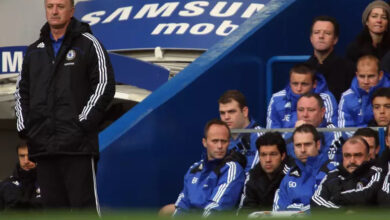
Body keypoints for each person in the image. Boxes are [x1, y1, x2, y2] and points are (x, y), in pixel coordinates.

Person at [14, 0, 115, 212]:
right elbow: (21, 91)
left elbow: (104, 85)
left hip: (77, 147)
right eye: (50, 6)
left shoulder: (88, 44)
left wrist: (82, 123)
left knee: (83, 211)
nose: (54, 11)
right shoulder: (33, 51)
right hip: (43, 147)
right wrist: (26, 128)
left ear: (71, 11)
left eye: (60, 6)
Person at [173, 119, 246, 217]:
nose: (219, 146)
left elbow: (216, 210)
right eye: (215, 141)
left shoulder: (232, 169)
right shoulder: (193, 169)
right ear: (205, 142)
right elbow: (182, 207)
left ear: (229, 143)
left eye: (223, 141)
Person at [273, 124, 337, 212]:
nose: (303, 150)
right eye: (298, 145)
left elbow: (328, 210)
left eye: (307, 144)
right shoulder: (290, 174)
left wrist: (295, 211)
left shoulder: (333, 171)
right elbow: (278, 211)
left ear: (318, 145)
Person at [311, 136, 382, 208]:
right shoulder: (333, 175)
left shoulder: (376, 173)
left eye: (357, 155)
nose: (352, 161)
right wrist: (342, 212)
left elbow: (368, 196)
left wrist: (336, 198)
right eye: (347, 155)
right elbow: (316, 201)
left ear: (367, 156)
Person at [267, 63, 338, 129]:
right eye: (295, 84)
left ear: (314, 84)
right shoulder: (277, 98)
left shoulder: (325, 98)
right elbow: (271, 133)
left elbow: (332, 131)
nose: (299, 88)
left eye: (304, 84)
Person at [306, 15, 355, 101]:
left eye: (327, 33)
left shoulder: (349, 69)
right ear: (311, 38)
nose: (321, 36)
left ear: (335, 39)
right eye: (317, 32)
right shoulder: (303, 69)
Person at [239, 132, 289, 212]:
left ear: (282, 156)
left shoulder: (292, 175)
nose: (268, 160)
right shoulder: (253, 176)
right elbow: (246, 210)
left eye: (273, 154)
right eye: (263, 155)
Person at [285, 93, 343, 162]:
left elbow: (330, 163)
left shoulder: (335, 134)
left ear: (322, 112)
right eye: (300, 110)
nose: (305, 115)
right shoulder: (289, 135)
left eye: (311, 110)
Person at [338, 55, 390, 129]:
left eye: (371, 76)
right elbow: (344, 129)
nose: (366, 81)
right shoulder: (347, 97)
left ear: (380, 75)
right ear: (356, 75)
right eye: (362, 76)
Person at [218, 90, 262, 173]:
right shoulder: (218, 138)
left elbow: (253, 178)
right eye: (222, 113)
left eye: (231, 111)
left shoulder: (260, 138)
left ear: (245, 112)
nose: (226, 117)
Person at [0, 143, 41, 210]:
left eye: (30, 156)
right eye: (22, 156)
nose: (26, 161)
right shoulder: (5, 185)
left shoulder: (49, 183)